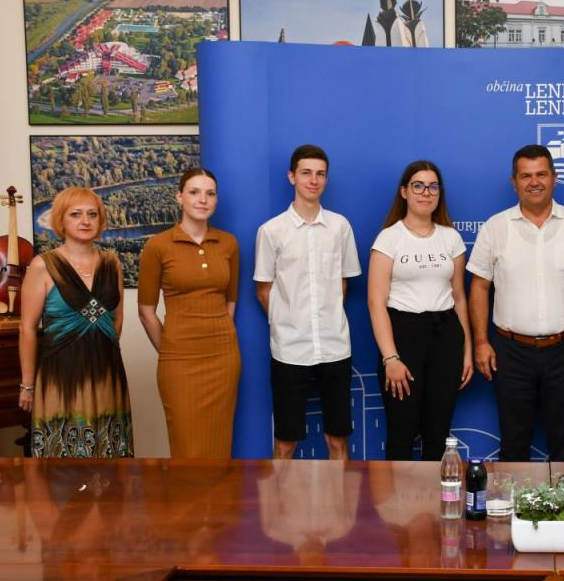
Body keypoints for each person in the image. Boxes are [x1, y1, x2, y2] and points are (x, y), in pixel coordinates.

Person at [468, 144, 564, 462]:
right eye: (526, 175)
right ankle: (510, 498)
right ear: (513, 181)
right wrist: (481, 342)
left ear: (554, 177)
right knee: (514, 443)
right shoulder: (495, 227)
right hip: (509, 351)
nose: (534, 182)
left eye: (541, 174)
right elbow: (479, 286)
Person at [254, 145, 361, 460]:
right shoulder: (271, 231)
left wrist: (327, 316)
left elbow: (343, 282)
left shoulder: (340, 227)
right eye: (306, 173)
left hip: (334, 346)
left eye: (320, 174)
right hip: (289, 349)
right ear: (292, 176)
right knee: (286, 442)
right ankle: (282, 496)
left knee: (337, 440)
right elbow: (263, 289)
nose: (313, 180)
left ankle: (339, 495)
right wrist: (286, 321)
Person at [367, 160, 473, 460]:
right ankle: (396, 495)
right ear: (404, 192)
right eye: (418, 186)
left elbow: (459, 297)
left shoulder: (450, 238)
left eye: (433, 187)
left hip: (446, 336)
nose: (426, 192)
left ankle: (436, 492)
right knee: (401, 432)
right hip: (403, 337)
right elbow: (376, 302)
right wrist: (390, 358)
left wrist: (466, 351)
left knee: (438, 433)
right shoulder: (389, 238)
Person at [18, 188, 133, 458]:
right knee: (63, 461)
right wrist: (27, 385)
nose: (85, 221)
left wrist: (101, 351)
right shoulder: (43, 265)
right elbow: (27, 328)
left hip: (107, 374)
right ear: (61, 220)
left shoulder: (112, 263)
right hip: (61, 376)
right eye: (76, 214)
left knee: (109, 455)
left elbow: (117, 318)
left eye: (92, 214)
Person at [138, 168, 240, 458]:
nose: (202, 199)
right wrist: (171, 349)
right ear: (179, 197)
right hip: (179, 360)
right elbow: (145, 311)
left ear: (216, 200)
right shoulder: (158, 245)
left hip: (223, 358)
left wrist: (220, 335)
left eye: (210, 193)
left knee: (219, 445)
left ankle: (219, 492)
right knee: (186, 448)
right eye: (194, 192)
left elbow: (230, 301)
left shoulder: (229, 243)